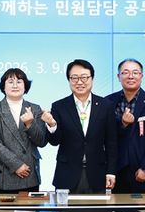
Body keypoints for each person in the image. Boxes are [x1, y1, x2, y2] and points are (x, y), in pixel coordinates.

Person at [42, 59, 117, 193]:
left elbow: (111, 142)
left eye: (84, 77)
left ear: (92, 79)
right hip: (67, 174)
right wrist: (52, 124)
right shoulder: (59, 106)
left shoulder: (106, 105)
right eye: (74, 78)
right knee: (65, 208)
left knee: (97, 207)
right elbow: (54, 141)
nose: (80, 82)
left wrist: (111, 171)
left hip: (97, 173)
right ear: (69, 80)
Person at [105, 59, 145, 194]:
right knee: (118, 208)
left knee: (144, 208)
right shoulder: (108, 102)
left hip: (143, 172)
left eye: (135, 72)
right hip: (117, 172)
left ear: (141, 76)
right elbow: (107, 136)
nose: (130, 76)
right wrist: (123, 124)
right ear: (118, 76)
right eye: (125, 72)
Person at [0, 68, 47, 194]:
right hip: (3, 172)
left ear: (25, 86)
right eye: (10, 82)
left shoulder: (35, 108)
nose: (15, 85)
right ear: (3, 87)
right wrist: (16, 164)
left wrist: (30, 124)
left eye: (19, 82)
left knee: (29, 207)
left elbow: (41, 141)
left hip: (29, 172)